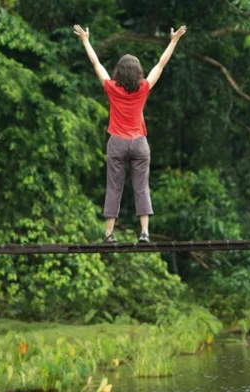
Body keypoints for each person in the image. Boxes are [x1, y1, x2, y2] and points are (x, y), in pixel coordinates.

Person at [74, 24, 187, 243]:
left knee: (114, 186)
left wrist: (86, 40)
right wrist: (173, 40)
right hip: (139, 143)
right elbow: (160, 65)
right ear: (138, 73)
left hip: (117, 142)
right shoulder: (143, 87)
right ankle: (144, 233)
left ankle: (109, 234)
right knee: (141, 186)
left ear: (118, 71)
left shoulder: (111, 88)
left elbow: (95, 63)